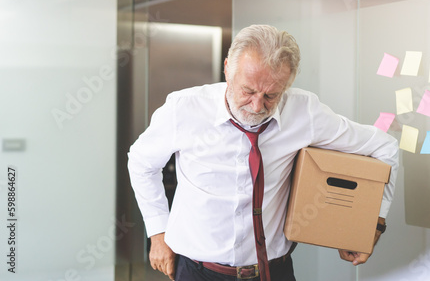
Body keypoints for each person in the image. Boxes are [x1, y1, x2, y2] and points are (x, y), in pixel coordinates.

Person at [128, 24, 399, 280]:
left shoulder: (304, 112)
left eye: (272, 95)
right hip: (198, 271)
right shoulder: (184, 109)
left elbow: (385, 147)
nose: (257, 106)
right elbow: (142, 163)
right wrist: (158, 232)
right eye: (248, 91)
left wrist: (370, 225)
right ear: (227, 70)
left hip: (274, 271)